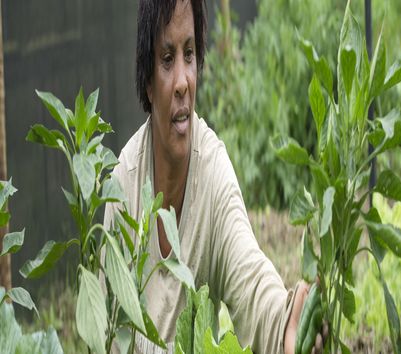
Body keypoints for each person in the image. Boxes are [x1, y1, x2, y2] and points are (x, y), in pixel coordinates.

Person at [104, 0, 325, 353]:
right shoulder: (124, 184)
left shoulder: (211, 170)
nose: (182, 82)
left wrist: (286, 319)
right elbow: (107, 332)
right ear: (147, 81)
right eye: (166, 59)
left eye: (189, 55)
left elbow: (248, 272)